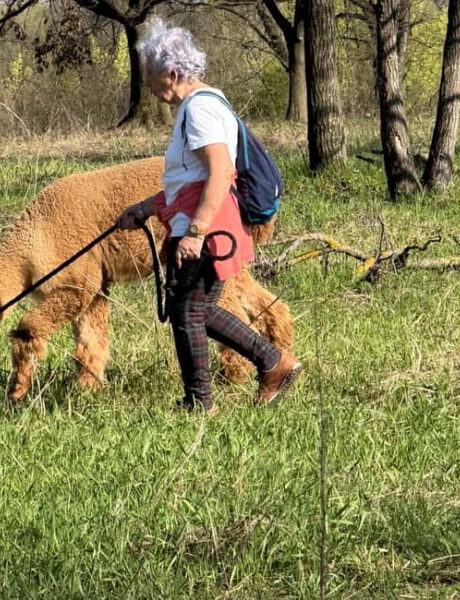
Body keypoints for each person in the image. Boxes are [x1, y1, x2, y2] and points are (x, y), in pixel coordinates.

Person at [116, 18, 302, 414]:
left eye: (151, 78)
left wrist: (195, 232)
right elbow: (192, 180)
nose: (149, 87)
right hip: (207, 225)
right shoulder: (205, 104)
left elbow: (219, 172)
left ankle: (205, 400)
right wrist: (146, 208)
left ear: (172, 73)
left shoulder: (198, 110)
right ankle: (270, 365)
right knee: (198, 310)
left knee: (187, 313)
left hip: (208, 230)